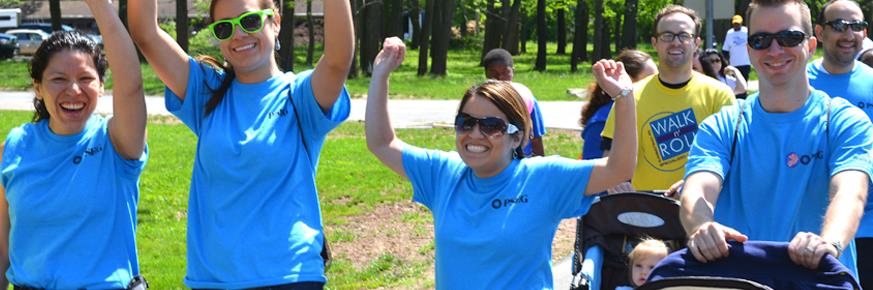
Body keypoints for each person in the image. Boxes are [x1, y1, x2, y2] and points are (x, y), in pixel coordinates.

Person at [366, 37, 637, 289]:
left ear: (517, 137)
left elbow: (619, 168)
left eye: (491, 126)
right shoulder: (443, 173)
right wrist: (380, 74)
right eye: (466, 122)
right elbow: (381, 143)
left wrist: (624, 97)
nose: (474, 134)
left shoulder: (544, 177)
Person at [128, 0, 353, 287]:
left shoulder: (300, 96)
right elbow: (145, 32)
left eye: (249, 22)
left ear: (275, 22)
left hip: (290, 278)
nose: (238, 35)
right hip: (213, 281)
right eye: (224, 28)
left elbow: (337, 59)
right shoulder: (205, 91)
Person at [681, 0, 872, 279]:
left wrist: (828, 242)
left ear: (810, 45)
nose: (775, 49)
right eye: (761, 40)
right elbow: (696, 190)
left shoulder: (844, 121)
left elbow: (850, 193)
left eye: (789, 37)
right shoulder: (723, 124)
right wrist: (701, 226)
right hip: (740, 280)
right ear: (748, 50)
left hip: (819, 279)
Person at [0, 0, 148, 288]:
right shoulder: (14, 147)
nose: (74, 90)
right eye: (58, 79)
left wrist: (101, 6)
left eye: (85, 78)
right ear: (38, 88)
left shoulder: (116, 142)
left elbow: (131, 85)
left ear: (102, 85)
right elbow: (2, 248)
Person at [600, 5, 735, 192]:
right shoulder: (629, 95)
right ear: (654, 42)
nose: (675, 42)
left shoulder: (720, 95)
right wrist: (615, 182)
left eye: (684, 35)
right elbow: (610, 155)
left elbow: (734, 158)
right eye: (667, 35)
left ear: (697, 42)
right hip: (645, 209)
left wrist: (698, 184)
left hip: (703, 206)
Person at [807, 0, 873, 287]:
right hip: (812, 226)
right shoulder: (799, 81)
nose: (849, 34)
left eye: (856, 26)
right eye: (839, 26)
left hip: (869, 224)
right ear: (820, 33)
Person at [580, 49, 656, 160]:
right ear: (626, 80)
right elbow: (593, 171)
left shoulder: (649, 110)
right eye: (648, 81)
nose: (656, 86)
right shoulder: (601, 123)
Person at [482, 48, 547, 157]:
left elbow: (536, 138)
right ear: (486, 74)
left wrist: (541, 167)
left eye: (505, 72)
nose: (499, 78)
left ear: (513, 71)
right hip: (492, 160)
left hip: (522, 160)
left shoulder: (525, 97)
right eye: (493, 73)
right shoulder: (481, 100)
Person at [723, 14, 753, 81]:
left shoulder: (746, 31)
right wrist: (727, 62)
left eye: (738, 23)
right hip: (734, 63)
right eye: (735, 24)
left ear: (741, 23)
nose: (736, 25)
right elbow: (725, 49)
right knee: (735, 82)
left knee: (744, 81)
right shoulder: (730, 33)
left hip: (745, 62)